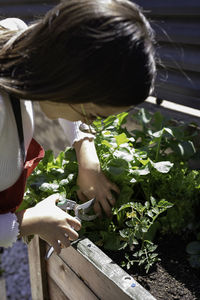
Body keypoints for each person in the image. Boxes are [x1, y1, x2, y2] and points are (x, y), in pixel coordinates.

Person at [0, 0, 156, 254]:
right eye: (93, 115)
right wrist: (28, 221)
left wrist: (88, 157)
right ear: (68, 83)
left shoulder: (18, 44)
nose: (88, 124)